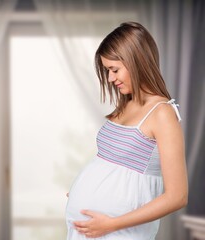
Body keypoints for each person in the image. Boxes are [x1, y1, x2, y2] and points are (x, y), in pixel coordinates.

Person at [65, 22, 188, 240]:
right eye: (107, 71)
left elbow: (177, 196)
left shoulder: (162, 114)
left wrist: (111, 224)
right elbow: (112, 167)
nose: (111, 79)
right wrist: (81, 193)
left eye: (114, 70)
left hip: (120, 232)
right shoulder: (127, 104)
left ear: (137, 62)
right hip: (92, 230)